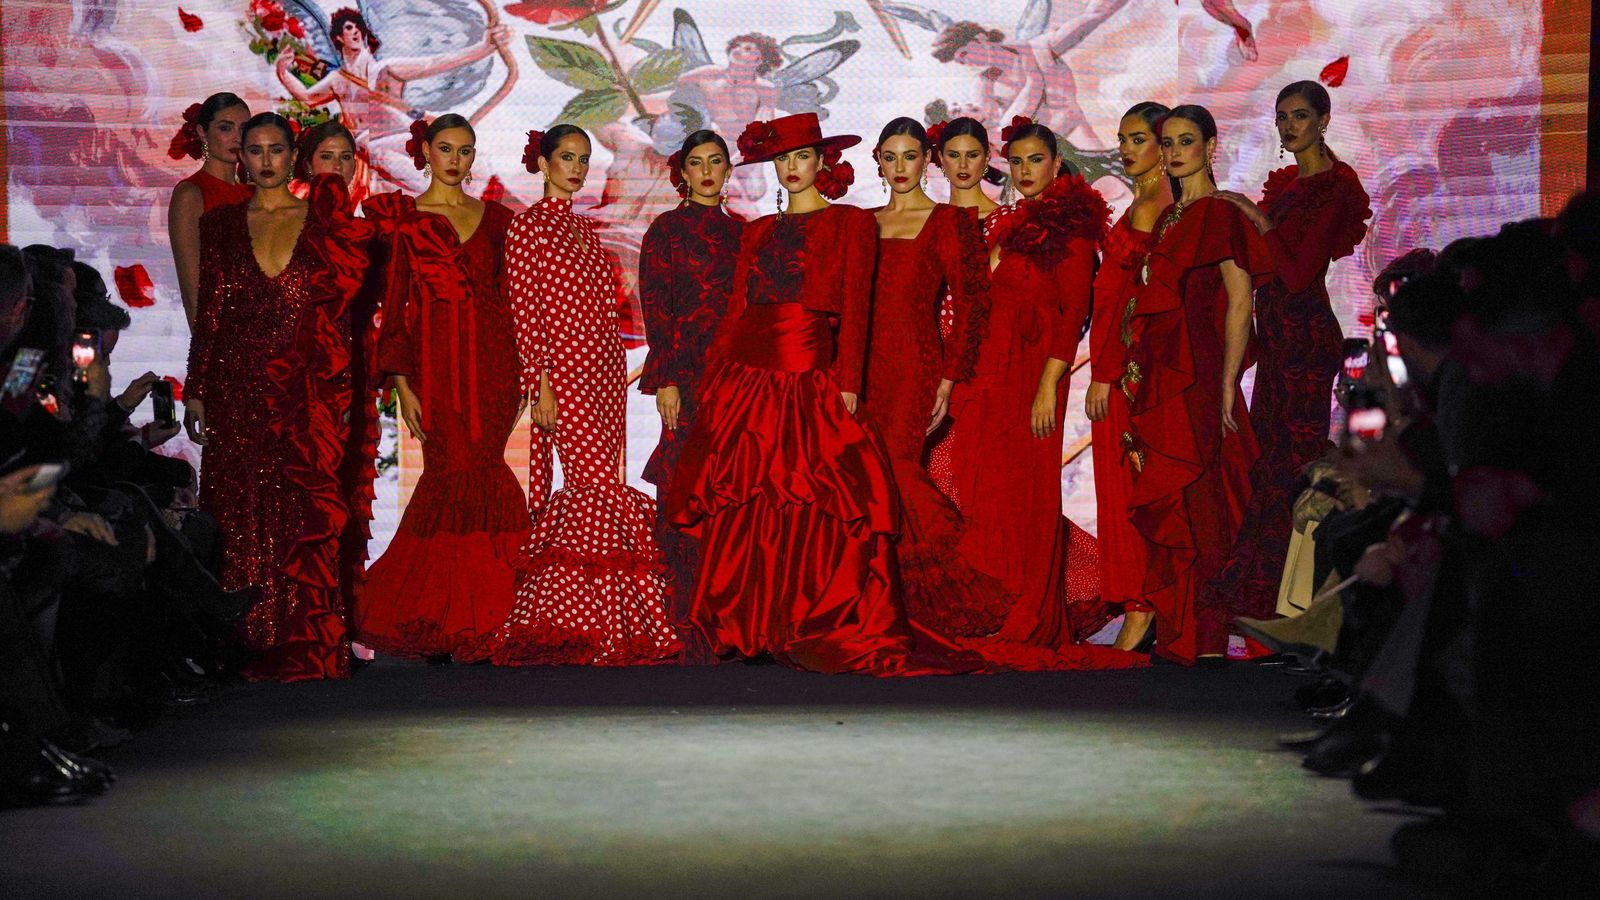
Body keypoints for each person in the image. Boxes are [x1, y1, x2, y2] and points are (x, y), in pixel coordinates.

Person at [665, 112, 978, 676]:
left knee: (813, 500)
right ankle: (752, 623)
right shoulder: (757, 229)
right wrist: (715, 381)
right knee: (751, 498)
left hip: (812, 371)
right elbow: (737, 311)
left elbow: (857, 308)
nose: (791, 168)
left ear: (822, 163)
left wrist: (850, 382)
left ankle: (807, 618)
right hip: (749, 376)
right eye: (781, 159)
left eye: (801, 157)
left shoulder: (851, 224)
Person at [942, 118, 1136, 669]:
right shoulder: (1016, 222)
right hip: (988, 377)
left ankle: (1027, 615)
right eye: (1018, 162)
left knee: (1023, 502)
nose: (1026, 171)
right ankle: (995, 608)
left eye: (1036, 160)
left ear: (1056, 162)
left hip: (1029, 382)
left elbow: (1074, 313)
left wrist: (1049, 386)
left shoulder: (1072, 227)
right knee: (982, 496)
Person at [489, 125, 680, 667]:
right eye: (566, 158)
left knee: (602, 487)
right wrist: (540, 383)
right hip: (563, 377)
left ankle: (593, 621)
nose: (576, 168)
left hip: (602, 373)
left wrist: (621, 370)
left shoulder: (583, 230)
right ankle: (581, 624)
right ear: (543, 163)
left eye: (583, 159)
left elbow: (602, 317)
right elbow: (526, 312)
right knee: (594, 488)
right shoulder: (529, 228)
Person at [1199, 81, 1372, 652]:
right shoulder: (1290, 183)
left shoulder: (1334, 185)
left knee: (1292, 476)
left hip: (1302, 340)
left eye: (1299, 116)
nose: (1288, 126)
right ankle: (1272, 611)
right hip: (1275, 340)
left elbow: (1298, 275)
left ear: (1324, 120)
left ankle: (1301, 615)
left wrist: (1251, 214)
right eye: (1281, 117)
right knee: (1270, 474)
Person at [185, 113, 355, 680]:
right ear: (243, 157)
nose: (263, 159)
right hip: (235, 384)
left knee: (300, 509)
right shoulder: (221, 225)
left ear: (293, 157)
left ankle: (303, 636)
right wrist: (198, 390)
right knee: (236, 510)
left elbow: (338, 314)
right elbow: (209, 314)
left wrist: (339, 384)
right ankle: (239, 639)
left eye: (275, 149)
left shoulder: (321, 220)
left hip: (304, 386)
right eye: (253, 149)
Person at [353, 115, 525, 662]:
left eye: (466, 150)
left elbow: (512, 303)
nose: (456, 159)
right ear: (425, 152)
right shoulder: (404, 220)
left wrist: (526, 372)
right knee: (449, 474)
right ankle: (438, 613)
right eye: (446, 149)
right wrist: (402, 382)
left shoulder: (497, 219)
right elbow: (394, 308)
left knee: (488, 470)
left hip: (495, 367)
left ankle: (491, 615)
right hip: (436, 368)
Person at [1120, 104, 1272, 665]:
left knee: (1207, 493)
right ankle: (1181, 629)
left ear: (1211, 144)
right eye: (1168, 142)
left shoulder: (1221, 212)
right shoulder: (1169, 218)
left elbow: (1240, 299)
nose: (1175, 151)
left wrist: (1230, 379)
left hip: (1204, 372)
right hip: (1164, 373)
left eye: (1187, 140)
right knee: (1180, 494)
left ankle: (1210, 634)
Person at [863, 117, 1008, 638]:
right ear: (877, 161)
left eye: (911, 156)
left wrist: (948, 380)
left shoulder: (949, 221)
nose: (900, 167)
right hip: (861, 370)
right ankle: (887, 603)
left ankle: (962, 590)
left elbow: (972, 305)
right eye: (890, 156)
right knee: (869, 483)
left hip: (914, 368)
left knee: (900, 471)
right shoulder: (862, 222)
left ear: (929, 160)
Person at [637, 130, 743, 665]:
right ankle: (680, 616)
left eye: (715, 162)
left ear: (729, 170)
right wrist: (668, 380)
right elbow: (656, 307)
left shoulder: (743, 234)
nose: (706, 171)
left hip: (734, 381)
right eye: (696, 163)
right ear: (682, 172)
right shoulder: (666, 230)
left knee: (729, 491)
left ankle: (725, 614)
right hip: (685, 375)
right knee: (682, 487)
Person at [1085, 102, 1173, 652]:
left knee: (1130, 487)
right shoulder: (1144, 200)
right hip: (1113, 366)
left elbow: (1134, 302)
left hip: (1127, 372)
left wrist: (1108, 372)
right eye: (1123, 138)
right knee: (1121, 487)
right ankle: (1142, 604)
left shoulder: (1156, 204)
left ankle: (1143, 607)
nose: (1125, 148)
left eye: (1137, 138)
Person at [924, 116, 1000, 503]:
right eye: (954, 155)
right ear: (939, 158)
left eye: (972, 155)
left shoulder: (1010, 221)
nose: (964, 165)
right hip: (928, 359)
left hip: (985, 364)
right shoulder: (928, 221)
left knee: (977, 481)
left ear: (987, 158)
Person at [167, 92, 253, 331]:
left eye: (244, 128)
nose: (237, 137)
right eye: (226, 128)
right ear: (202, 132)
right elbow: (192, 290)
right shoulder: (190, 193)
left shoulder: (254, 194)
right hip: (220, 336)